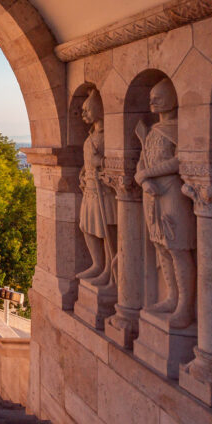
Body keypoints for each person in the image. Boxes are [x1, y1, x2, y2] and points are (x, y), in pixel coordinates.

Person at [135, 79, 196, 328]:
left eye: (158, 96)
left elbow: (180, 161)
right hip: (152, 195)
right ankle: (171, 297)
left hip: (172, 194)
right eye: (151, 96)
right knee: (161, 247)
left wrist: (147, 175)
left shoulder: (181, 128)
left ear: (174, 98)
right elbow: (142, 160)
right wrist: (142, 179)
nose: (152, 101)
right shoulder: (152, 130)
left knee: (178, 248)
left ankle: (185, 305)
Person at [76, 90, 115, 286]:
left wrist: (100, 161)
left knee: (106, 230)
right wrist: (83, 172)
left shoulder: (109, 135)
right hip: (90, 188)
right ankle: (97, 264)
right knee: (86, 227)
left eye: (87, 109)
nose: (83, 114)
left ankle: (109, 269)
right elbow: (88, 161)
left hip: (105, 190)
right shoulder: (91, 135)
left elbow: (118, 162)